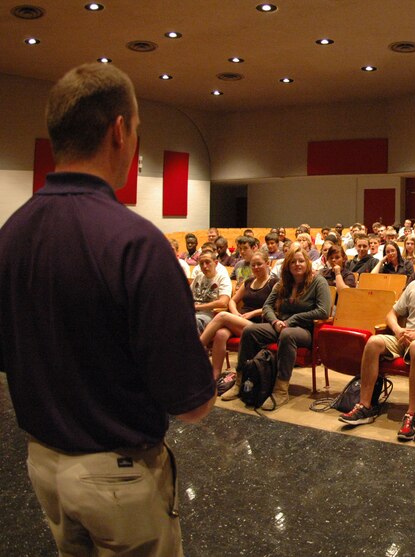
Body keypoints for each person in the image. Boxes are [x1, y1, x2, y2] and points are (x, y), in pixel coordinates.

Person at [0, 63, 215, 556]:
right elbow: (193, 402)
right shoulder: (136, 242)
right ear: (119, 130)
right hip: (118, 477)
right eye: (137, 130)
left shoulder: (10, 235)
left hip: (43, 466)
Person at [339, 246, 415, 440]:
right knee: (373, 342)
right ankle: (365, 406)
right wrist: (397, 330)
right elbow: (391, 314)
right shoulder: (414, 286)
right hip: (406, 337)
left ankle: (412, 414)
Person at [237, 246, 331, 410]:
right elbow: (267, 306)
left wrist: (293, 319)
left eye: (301, 261)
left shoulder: (318, 281)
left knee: (287, 334)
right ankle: (241, 381)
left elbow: (323, 311)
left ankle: (281, 390)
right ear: (287, 265)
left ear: (307, 263)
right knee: (249, 331)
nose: (297, 264)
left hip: (306, 330)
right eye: (293, 262)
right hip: (281, 325)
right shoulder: (283, 283)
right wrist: (274, 322)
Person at [202, 252, 278, 384]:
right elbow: (232, 300)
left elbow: (276, 307)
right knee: (220, 334)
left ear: (267, 263)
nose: (256, 267)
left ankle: (197, 347)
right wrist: (235, 312)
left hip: (258, 325)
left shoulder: (274, 283)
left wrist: (253, 313)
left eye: (259, 264)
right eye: (253, 265)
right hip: (241, 320)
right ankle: (215, 376)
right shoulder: (248, 282)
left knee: (222, 315)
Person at [190, 249, 232, 333]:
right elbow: (187, 295)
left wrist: (197, 307)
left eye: (207, 262)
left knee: (192, 322)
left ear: (216, 263)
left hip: (208, 314)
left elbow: (223, 302)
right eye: (201, 263)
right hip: (192, 312)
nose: (204, 266)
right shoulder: (199, 276)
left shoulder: (222, 278)